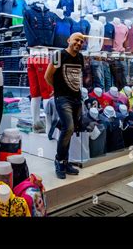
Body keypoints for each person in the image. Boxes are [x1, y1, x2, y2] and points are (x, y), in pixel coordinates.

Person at [44, 32, 85, 179]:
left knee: (69, 130)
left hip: (76, 98)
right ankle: (59, 161)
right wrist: (58, 90)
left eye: (82, 41)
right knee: (69, 128)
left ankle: (65, 161)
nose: (79, 43)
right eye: (76, 40)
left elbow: (77, 77)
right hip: (63, 98)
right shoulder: (58, 55)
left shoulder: (80, 57)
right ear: (69, 40)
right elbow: (47, 76)